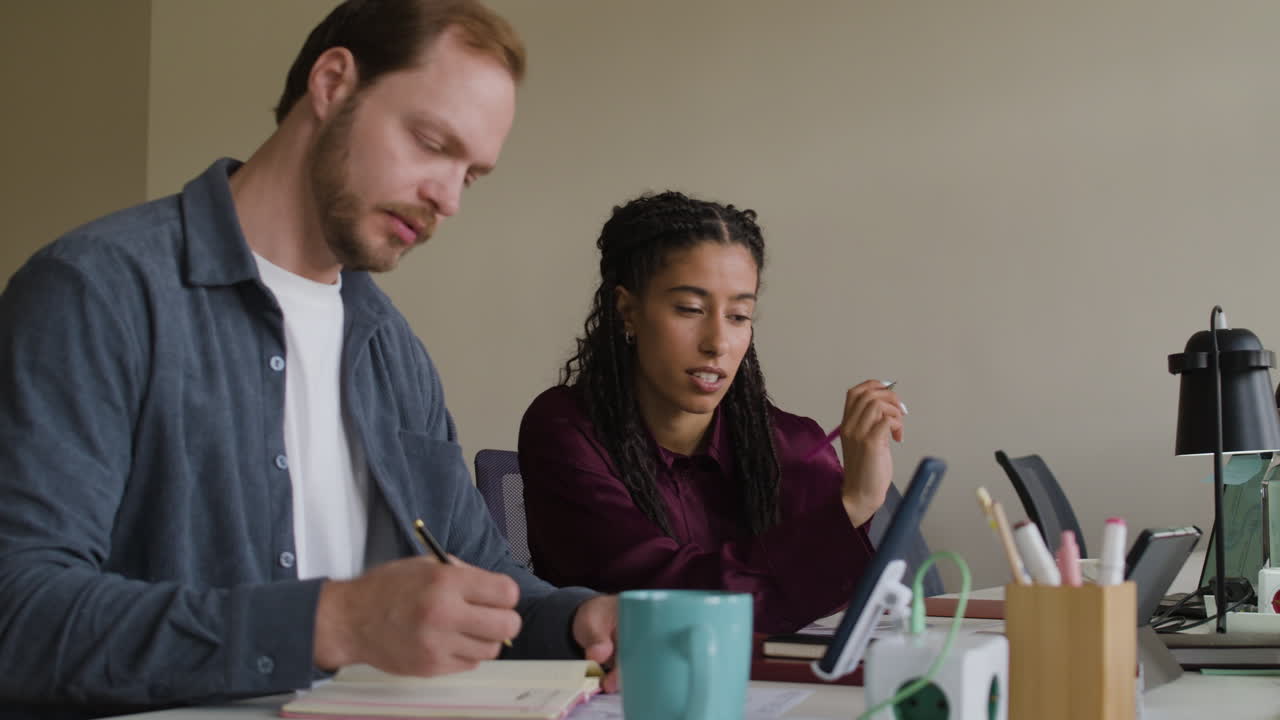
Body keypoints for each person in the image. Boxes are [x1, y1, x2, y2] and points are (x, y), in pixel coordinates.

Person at [0, 2, 616, 717]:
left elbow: (477, 576)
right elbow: (18, 609)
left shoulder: (394, 353)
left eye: (471, 175)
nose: (446, 198)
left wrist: (577, 621)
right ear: (331, 84)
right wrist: (333, 622)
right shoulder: (97, 292)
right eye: (429, 142)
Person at [518, 191, 906, 634]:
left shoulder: (791, 443)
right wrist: (852, 504)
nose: (717, 342)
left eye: (740, 315)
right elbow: (659, 601)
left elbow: (840, 596)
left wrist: (856, 500)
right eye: (689, 309)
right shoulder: (567, 428)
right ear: (627, 310)